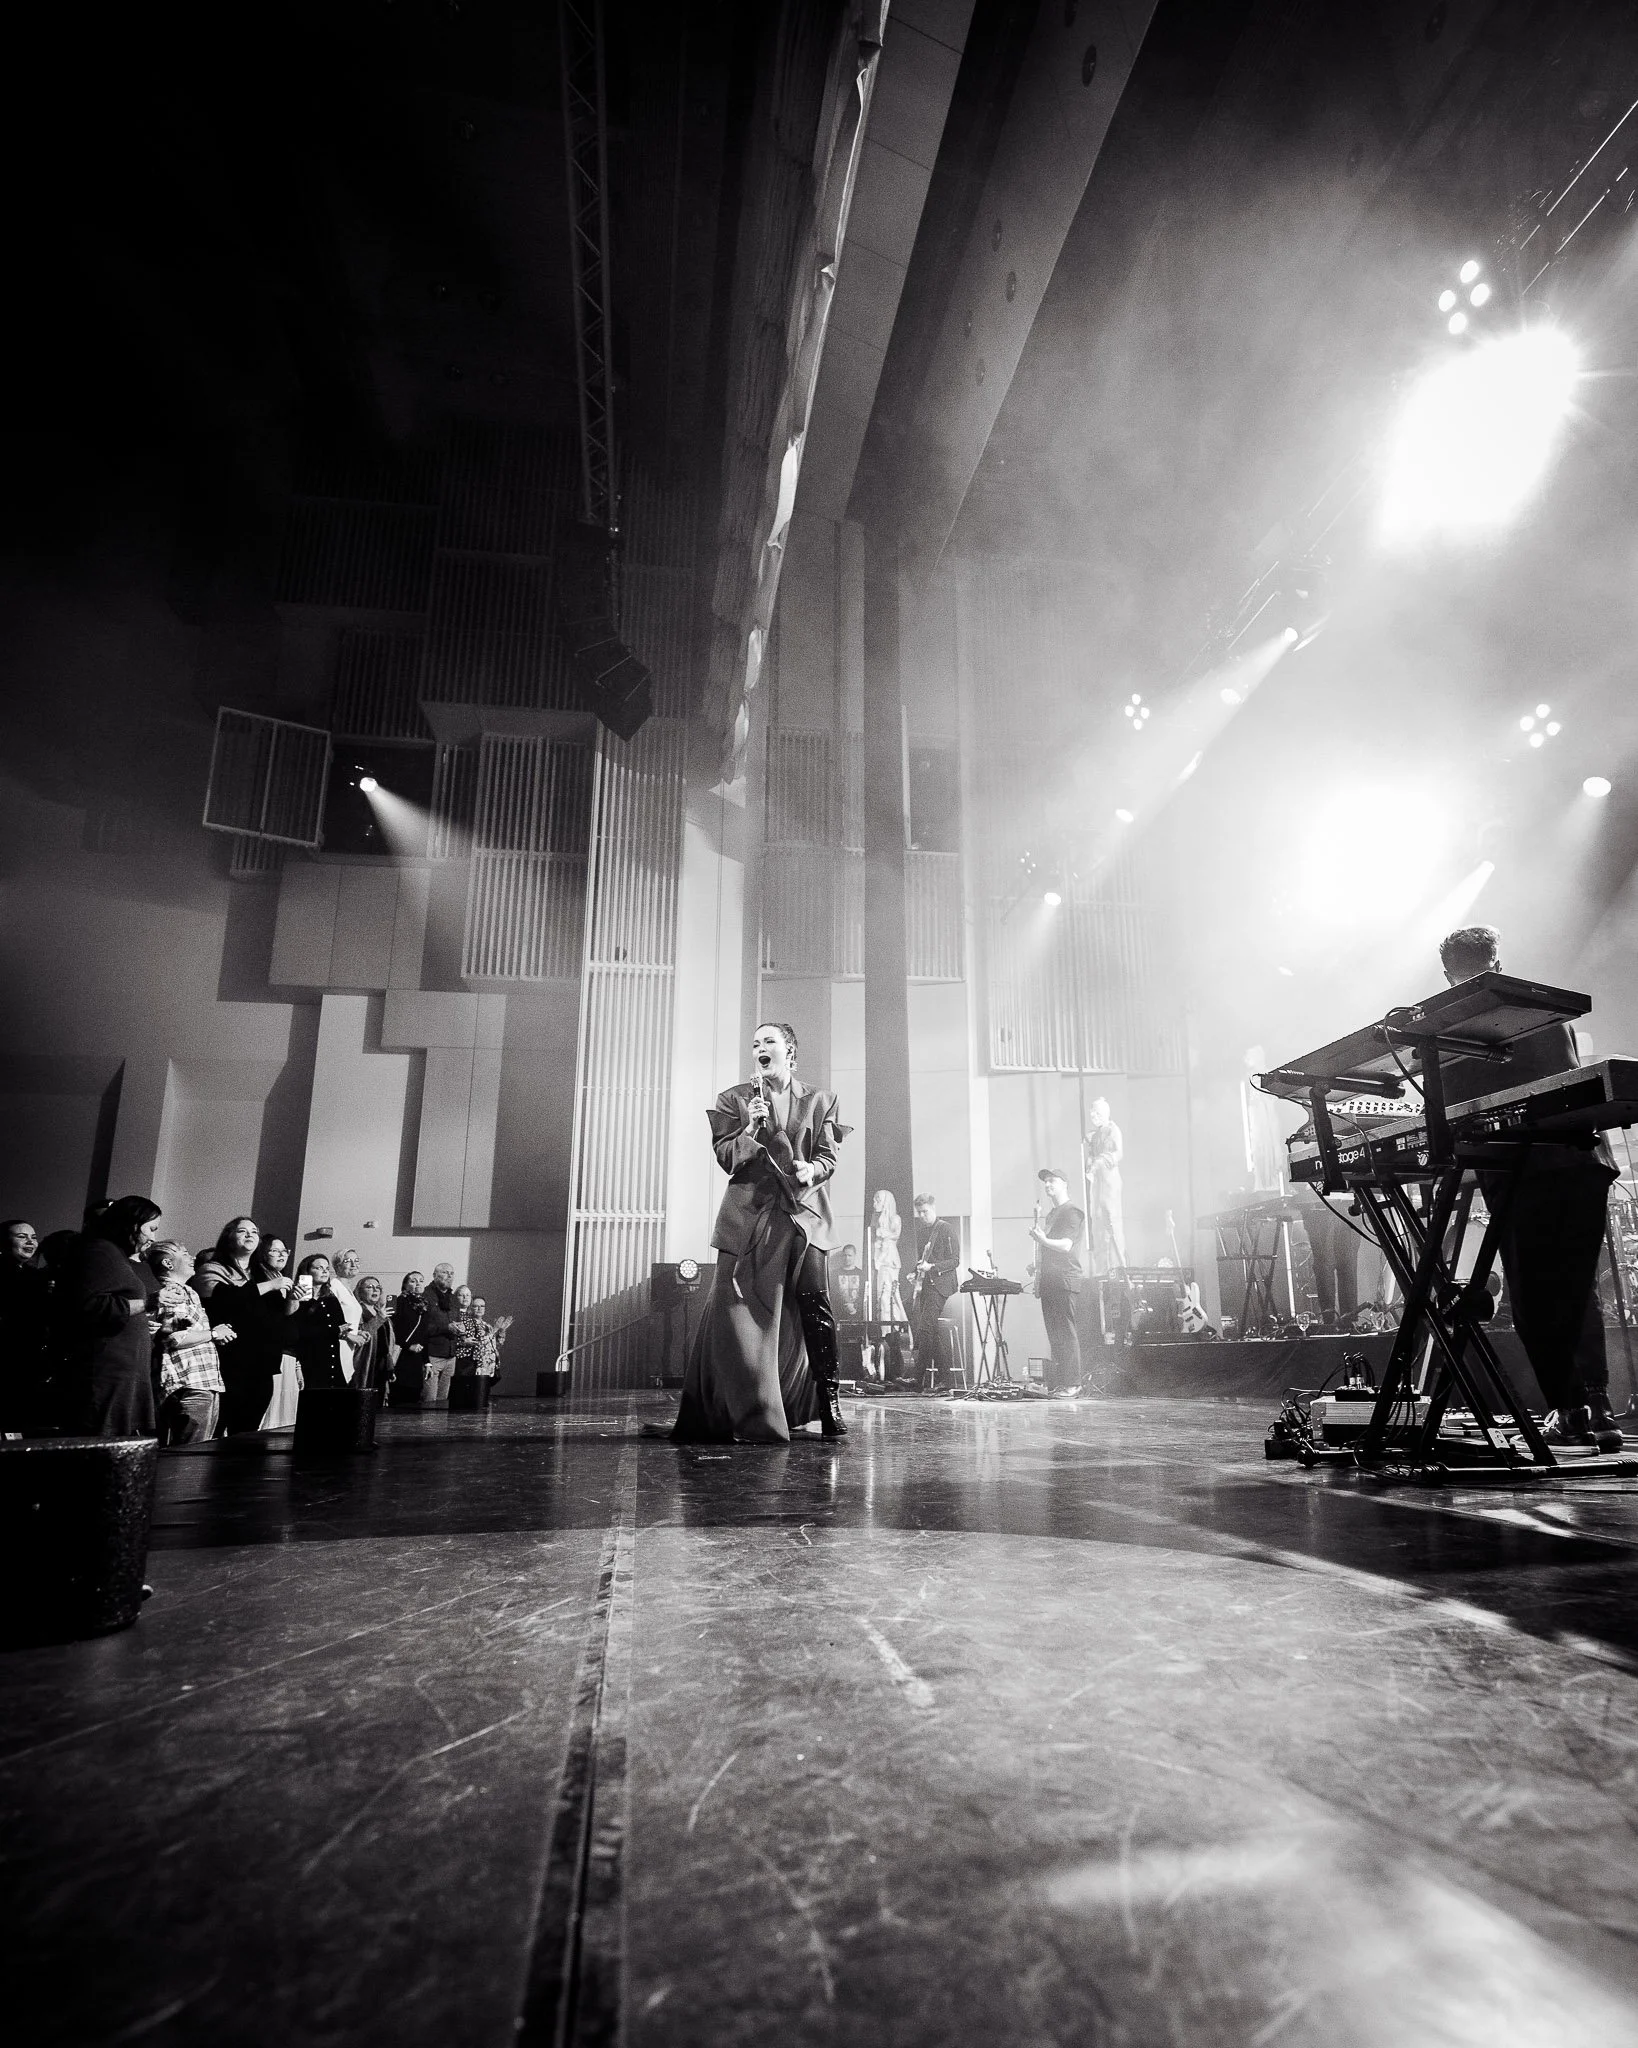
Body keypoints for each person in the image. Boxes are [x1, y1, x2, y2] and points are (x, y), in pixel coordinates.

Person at [1437, 924, 1623, 1451]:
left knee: (1533, 1292)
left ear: (1449, 975)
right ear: (1497, 963)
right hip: (1581, 1160)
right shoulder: (1544, 1007)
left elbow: (1448, 1111)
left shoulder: (1453, 1026)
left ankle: (1571, 1410)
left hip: (1519, 1166)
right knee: (1577, 1288)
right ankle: (1599, 1407)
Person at [672, 1020, 848, 1442]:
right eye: (755, 1044)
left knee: (815, 1306)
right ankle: (750, 1408)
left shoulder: (821, 1100)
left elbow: (828, 1157)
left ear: (790, 1050)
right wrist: (750, 1128)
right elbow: (726, 1157)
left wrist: (812, 1169)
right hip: (751, 1215)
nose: (759, 1048)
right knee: (737, 1311)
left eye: (768, 1041)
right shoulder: (734, 1099)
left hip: (804, 1213)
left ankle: (829, 1403)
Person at [57, 1194, 162, 1437]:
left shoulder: (114, 1254)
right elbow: (89, 1306)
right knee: (101, 1444)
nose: (153, 1238)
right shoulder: (99, 1251)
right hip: (107, 1372)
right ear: (132, 1224)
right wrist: (147, 1303)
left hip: (123, 1370)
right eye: (151, 1229)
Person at [195, 1218, 295, 1434]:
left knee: (248, 1432)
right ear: (228, 1237)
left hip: (262, 1364)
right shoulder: (213, 1268)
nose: (250, 1235)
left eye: (254, 1231)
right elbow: (226, 1300)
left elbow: (281, 1315)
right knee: (218, 1430)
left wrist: (293, 1298)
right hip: (229, 1362)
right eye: (242, 1231)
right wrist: (270, 1286)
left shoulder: (264, 1273)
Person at [147, 1240, 231, 1444]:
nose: (192, 1257)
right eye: (184, 1254)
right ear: (168, 1263)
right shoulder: (174, 1291)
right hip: (189, 1385)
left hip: (198, 1383)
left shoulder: (186, 1290)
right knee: (189, 1453)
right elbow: (173, 1338)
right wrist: (214, 1333)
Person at [1030, 1168, 1086, 1396]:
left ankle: (1073, 1384)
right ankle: (1063, 1382)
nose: (1047, 1185)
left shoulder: (1072, 1212)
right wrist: (1037, 1265)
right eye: (1045, 1181)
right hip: (1050, 1281)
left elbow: (1066, 1245)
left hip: (1064, 1280)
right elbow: (1051, 1248)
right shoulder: (1052, 1215)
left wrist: (1043, 1240)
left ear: (1064, 1184)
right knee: (1055, 1335)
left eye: (1052, 1180)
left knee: (1065, 1332)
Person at [0, 1219, 52, 1433]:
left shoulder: (36, 1275)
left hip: (29, 1357)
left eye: (33, 1237)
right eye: (22, 1237)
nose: (30, 1242)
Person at [909, 1195, 961, 1382]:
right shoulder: (922, 1232)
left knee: (925, 1329)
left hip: (941, 1285)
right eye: (919, 1213)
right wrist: (913, 1272)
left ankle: (917, 1378)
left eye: (925, 1212)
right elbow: (923, 1260)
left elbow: (955, 1261)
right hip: (926, 1285)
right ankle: (945, 1379)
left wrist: (932, 1267)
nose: (922, 1216)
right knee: (932, 1332)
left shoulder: (946, 1228)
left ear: (933, 1208)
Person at [283, 1253, 355, 1389]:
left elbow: (341, 1325)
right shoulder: (298, 1297)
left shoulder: (330, 1298)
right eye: (319, 1268)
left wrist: (345, 1331)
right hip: (308, 1360)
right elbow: (297, 1330)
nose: (324, 1271)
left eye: (327, 1268)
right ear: (307, 1271)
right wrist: (333, 1330)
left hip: (331, 1359)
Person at [1083, 1099, 1128, 1275]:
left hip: (1109, 1181)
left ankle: (1118, 1268)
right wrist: (1090, 1162)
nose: (1093, 1116)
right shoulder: (1094, 1136)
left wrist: (1098, 1162)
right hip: (1097, 1184)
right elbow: (1091, 1156)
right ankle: (1101, 1269)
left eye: (1097, 1113)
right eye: (1092, 1113)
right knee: (1097, 1223)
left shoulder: (1113, 1130)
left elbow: (1116, 1153)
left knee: (1112, 1222)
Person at [388, 1271, 433, 1405]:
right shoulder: (400, 1302)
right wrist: (408, 1345)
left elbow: (424, 1334)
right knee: (399, 1395)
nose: (418, 1283)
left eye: (421, 1280)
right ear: (405, 1285)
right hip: (401, 1354)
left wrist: (427, 1362)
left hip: (417, 1357)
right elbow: (393, 1330)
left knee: (414, 1397)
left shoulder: (424, 1304)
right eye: (413, 1281)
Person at [350, 1275, 399, 1393]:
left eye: (378, 1287)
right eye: (370, 1287)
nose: (375, 1290)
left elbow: (388, 1343)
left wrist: (389, 1367)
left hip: (381, 1366)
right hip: (364, 1364)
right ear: (360, 1291)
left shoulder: (380, 1311)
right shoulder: (357, 1311)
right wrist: (380, 1318)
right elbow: (361, 1335)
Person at [420, 1263, 459, 1405]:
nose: (449, 1276)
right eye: (445, 1272)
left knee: (443, 1401)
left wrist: (460, 1330)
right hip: (432, 1355)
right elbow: (422, 1327)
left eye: (451, 1273)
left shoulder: (453, 1299)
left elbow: (456, 1322)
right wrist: (446, 1328)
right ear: (434, 1275)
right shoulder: (425, 1296)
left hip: (450, 1355)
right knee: (429, 1400)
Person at [869, 1191, 905, 1326]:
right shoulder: (878, 1220)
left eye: (877, 1201)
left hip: (889, 1261)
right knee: (881, 1298)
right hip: (881, 1261)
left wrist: (883, 1235)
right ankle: (885, 1330)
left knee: (889, 1297)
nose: (874, 1204)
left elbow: (894, 1236)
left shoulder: (894, 1219)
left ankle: (894, 1329)